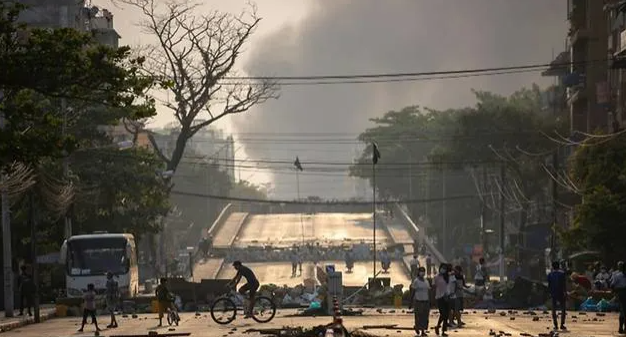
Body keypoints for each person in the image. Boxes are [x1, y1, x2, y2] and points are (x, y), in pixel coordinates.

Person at [410, 266, 430, 336]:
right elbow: (413, 291)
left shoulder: (426, 281)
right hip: (418, 301)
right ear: (418, 272)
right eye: (421, 271)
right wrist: (410, 302)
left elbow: (428, 291)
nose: (422, 272)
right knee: (419, 316)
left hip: (426, 301)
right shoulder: (416, 281)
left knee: (425, 317)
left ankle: (423, 331)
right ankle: (417, 327)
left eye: (424, 271)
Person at [547, 261, 567, 331]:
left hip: (553, 293)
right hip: (561, 293)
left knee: (554, 309)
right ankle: (562, 324)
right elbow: (564, 284)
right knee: (563, 309)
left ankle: (555, 325)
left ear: (552, 267)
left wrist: (549, 293)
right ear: (559, 266)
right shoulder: (562, 274)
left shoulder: (550, 274)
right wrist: (565, 292)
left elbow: (549, 285)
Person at [434, 263, 450, 336]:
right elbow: (434, 287)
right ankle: (437, 326)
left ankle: (443, 331)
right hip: (439, 297)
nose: (443, 269)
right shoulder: (437, 277)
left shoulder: (448, 277)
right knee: (443, 314)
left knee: (446, 315)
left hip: (447, 297)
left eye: (444, 268)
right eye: (442, 268)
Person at [610, 261, 626, 334]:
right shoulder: (618, 276)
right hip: (621, 293)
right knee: (622, 311)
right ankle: (620, 327)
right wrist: (615, 293)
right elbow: (612, 285)